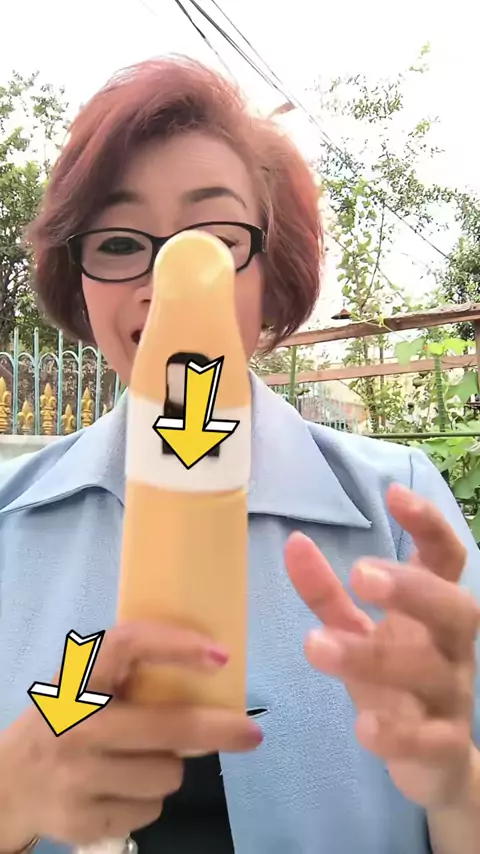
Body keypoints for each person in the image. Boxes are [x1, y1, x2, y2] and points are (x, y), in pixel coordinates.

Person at [0, 56, 479, 854]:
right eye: (118, 242)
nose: (166, 283)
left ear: (271, 272)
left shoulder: (396, 516)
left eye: (216, 243)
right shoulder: (8, 525)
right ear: (77, 280)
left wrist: (456, 780)